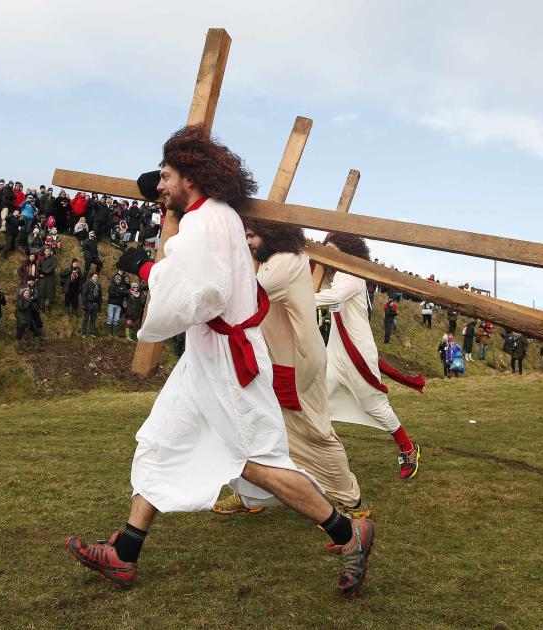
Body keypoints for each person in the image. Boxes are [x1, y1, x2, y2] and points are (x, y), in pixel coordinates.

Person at [66, 126, 375, 598]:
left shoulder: (208, 222)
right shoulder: (210, 217)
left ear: (190, 176)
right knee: (162, 439)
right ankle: (125, 554)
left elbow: (200, 293)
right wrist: (159, 237)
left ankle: (347, 532)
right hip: (205, 359)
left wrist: (145, 269)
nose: (162, 186)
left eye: (167, 176)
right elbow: (195, 270)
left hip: (231, 363)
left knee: (251, 460)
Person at [212, 218, 368, 518]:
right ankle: (252, 495)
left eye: (252, 235)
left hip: (294, 364)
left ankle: (351, 501)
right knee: (257, 427)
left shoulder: (286, 261)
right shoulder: (273, 260)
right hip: (280, 362)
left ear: (272, 233)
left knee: (314, 433)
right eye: (245, 236)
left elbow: (244, 298)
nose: (248, 242)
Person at [315, 232, 421, 480]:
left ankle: (408, 448)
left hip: (357, 354)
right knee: (318, 399)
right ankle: (317, 456)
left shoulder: (351, 275)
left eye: (333, 249)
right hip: (337, 353)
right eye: (326, 249)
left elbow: (333, 297)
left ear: (348, 251)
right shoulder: (336, 277)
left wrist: (295, 300)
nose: (329, 254)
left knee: (374, 405)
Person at [80, 272, 102, 338]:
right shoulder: (87, 284)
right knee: (86, 319)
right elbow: (83, 294)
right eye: (95, 276)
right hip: (89, 303)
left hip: (96, 304)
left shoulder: (98, 286)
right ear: (92, 277)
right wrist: (85, 304)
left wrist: (99, 305)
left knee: (93, 319)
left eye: (97, 277)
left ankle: (92, 332)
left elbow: (100, 296)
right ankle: (84, 333)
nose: (96, 278)